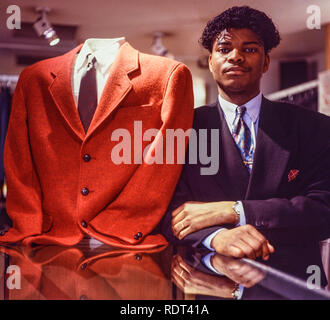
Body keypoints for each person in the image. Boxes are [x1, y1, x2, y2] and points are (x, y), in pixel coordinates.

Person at [161, 6, 330, 261]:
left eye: (249, 49)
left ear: (266, 62)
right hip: (211, 279)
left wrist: (236, 211)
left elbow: (323, 210)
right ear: (210, 61)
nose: (236, 57)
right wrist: (215, 237)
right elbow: (167, 212)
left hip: (294, 282)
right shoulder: (183, 129)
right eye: (224, 49)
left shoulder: (313, 127)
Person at [0, 38, 194, 248]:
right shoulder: (34, 78)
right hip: (47, 238)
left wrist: (127, 219)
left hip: (128, 239)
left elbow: (165, 160)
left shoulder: (168, 74)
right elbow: (19, 157)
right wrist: (27, 222)